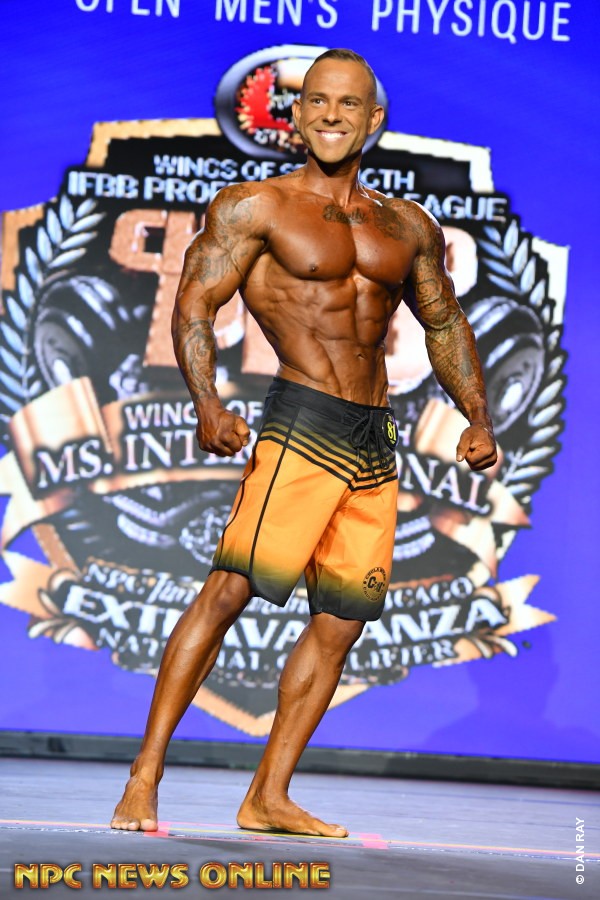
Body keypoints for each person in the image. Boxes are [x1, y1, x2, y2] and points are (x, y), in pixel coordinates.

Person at [111, 48, 497, 838]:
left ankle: (268, 796)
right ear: (295, 114)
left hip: (373, 438)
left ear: (373, 118)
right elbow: (194, 306)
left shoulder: (406, 225)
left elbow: (444, 321)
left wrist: (477, 416)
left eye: (347, 104)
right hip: (301, 423)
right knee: (229, 590)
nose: (329, 115)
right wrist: (207, 402)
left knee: (342, 621)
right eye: (316, 101)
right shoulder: (256, 207)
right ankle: (143, 777)